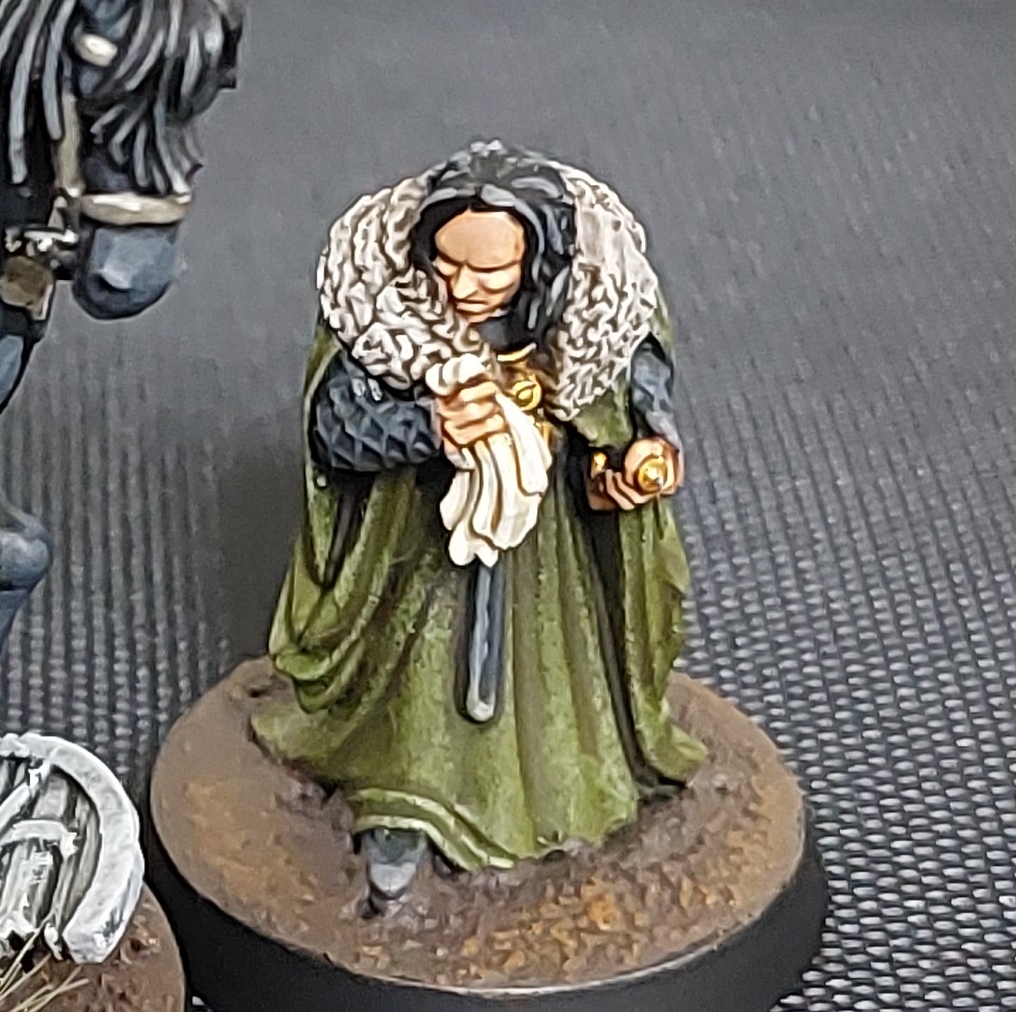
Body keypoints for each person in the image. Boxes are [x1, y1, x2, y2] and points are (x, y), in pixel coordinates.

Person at [261, 143, 704, 904]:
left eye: (489, 272)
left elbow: (635, 390)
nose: (462, 289)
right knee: (420, 680)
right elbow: (335, 428)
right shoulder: (382, 312)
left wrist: (638, 454)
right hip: (421, 541)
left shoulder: (597, 308)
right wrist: (429, 426)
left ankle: (563, 791)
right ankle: (403, 801)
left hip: (548, 555)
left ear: (536, 264)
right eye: (446, 264)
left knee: (553, 687)